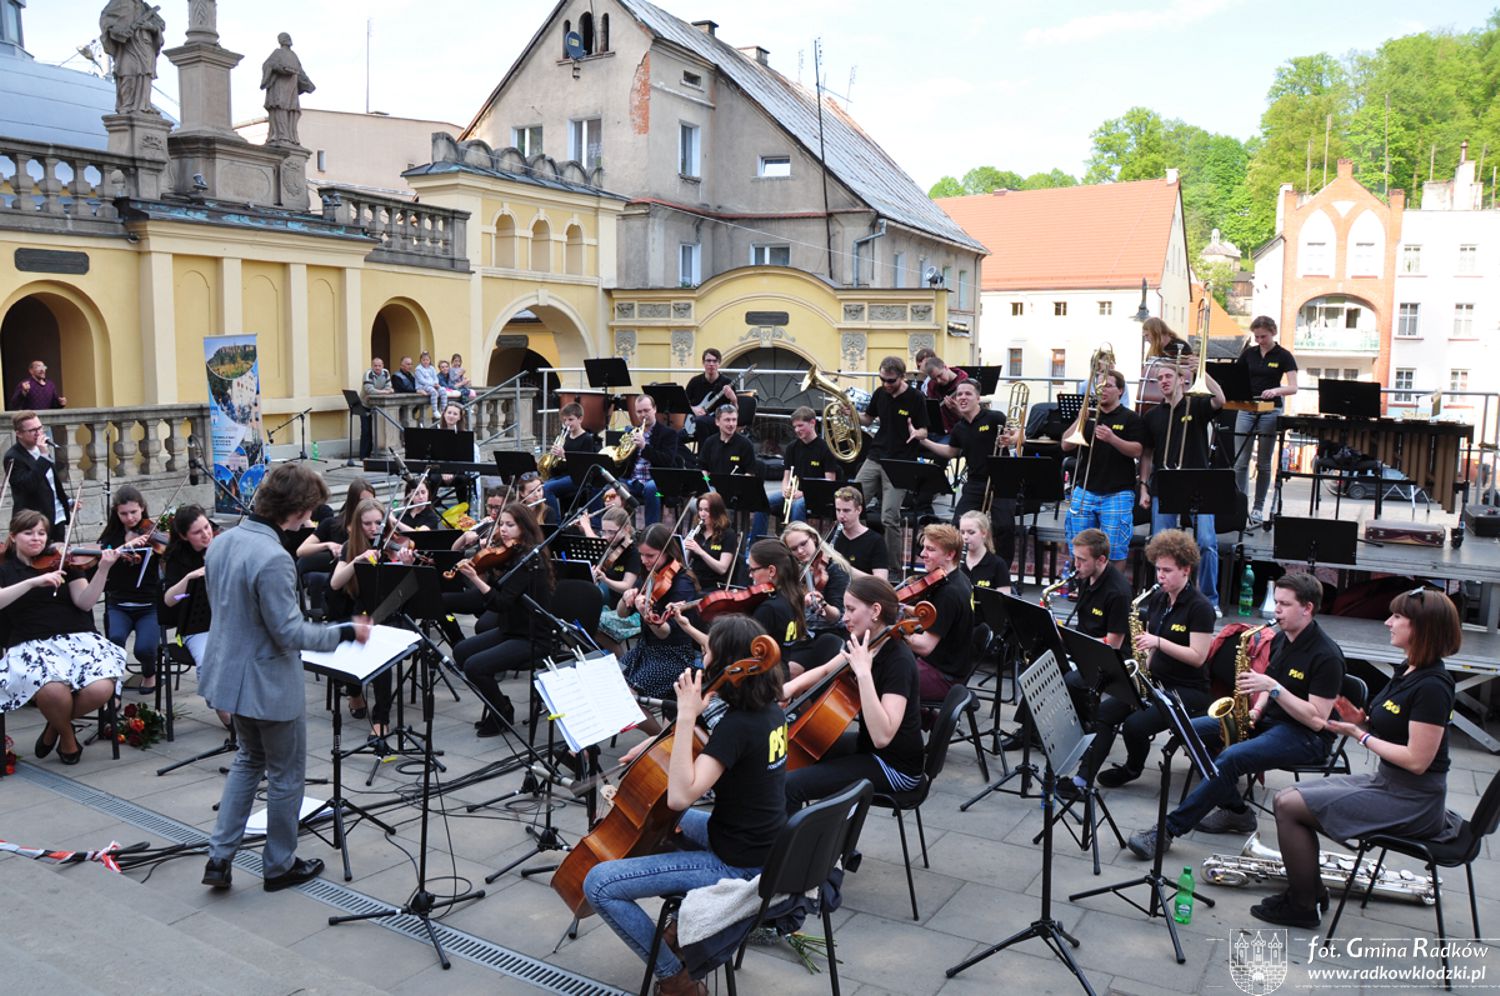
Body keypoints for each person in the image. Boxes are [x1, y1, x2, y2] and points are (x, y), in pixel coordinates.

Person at [583, 615, 787, 996]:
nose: (700, 658)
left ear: (726, 664)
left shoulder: (738, 726)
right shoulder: (769, 711)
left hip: (738, 863)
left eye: (707, 651)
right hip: (761, 842)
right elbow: (715, 746)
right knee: (652, 814)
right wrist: (664, 738)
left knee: (599, 884)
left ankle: (675, 977)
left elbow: (681, 793)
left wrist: (688, 713)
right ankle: (679, 924)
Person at [200, 464, 371, 894]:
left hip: (230, 676)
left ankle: (219, 858)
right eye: (309, 511)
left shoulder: (223, 543)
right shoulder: (274, 557)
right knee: (285, 774)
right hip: (268, 683)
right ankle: (278, 865)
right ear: (294, 509)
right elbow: (290, 632)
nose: (311, 520)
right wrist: (346, 632)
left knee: (246, 761)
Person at [1254, 586, 1462, 929]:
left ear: (1421, 627)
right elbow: (1393, 729)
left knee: (1290, 807)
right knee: (1286, 798)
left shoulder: (1434, 687)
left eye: (1397, 616)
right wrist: (1360, 720)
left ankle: (1304, 904)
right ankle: (1310, 891)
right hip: (1390, 784)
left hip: (1413, 800)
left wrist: (1361, 735)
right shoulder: (1409, 670)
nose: (1387, 622)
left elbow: (1416, 760)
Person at [1127, 572, 1345, 859]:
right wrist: (1256, 709)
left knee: (1230, 758)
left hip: (1305, 736)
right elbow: (1269, 683)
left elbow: (1317, 719)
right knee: (1187, 730)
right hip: (1270, 720)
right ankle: (1237, 811)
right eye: (1276, 602)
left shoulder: (1326, 655)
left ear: (1307, 608)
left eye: (1284, 604)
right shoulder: (1283, 639)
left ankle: (1167, 831)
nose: (1275, 610)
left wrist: (1275, 690)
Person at [1083, 529, 1216, 789]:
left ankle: (1132, 768)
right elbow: (1150, 645)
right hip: (1157, 681)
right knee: (1106, 711)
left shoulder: (1200, 607)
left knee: (1135, 725)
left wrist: (1158, 642)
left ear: (1186, 570)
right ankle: (1082, 779)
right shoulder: (1158, 599)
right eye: (1158, 570)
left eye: (1167, 570)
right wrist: (1142, 664)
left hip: (1188, 690)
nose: (1160, 576)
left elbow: (1198, 657)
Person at [782, 575, 925, 811]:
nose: (845, 616)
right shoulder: (865, 644)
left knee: (791, 786)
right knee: (793, 752)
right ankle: (828, 839)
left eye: (850, 609)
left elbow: (883, 735)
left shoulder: (898, 660)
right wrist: (786, 689)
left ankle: (798, 847)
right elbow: (826, 670)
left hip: (896, 768)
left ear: (875, 610)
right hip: (868, 748)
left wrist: (864, 674)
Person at [0, 510, 128, 765]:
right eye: (29, 533)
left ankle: (54, 727)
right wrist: (34, 582)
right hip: (31, 642)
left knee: (103, 687)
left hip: (76, 638)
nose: (36, 538)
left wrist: (103, 569)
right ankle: (68, 740)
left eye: (42, 533)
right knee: (53, 691)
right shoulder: (6, 568)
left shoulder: (64, 562)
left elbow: (85, 602)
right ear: (13, 537)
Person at [452, 501, 555, 737]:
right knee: (461, 651)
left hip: (531, 636)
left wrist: (476, 578)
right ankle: (498, 703)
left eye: (510, 525)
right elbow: (498, 590)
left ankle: (502, 710)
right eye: (502, 524)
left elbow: (500, 603)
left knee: (474, 666)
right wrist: (485, 567)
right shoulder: (512, 553)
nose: (504, 529)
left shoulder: (530, 561)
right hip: (510, 628)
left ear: (524, 527)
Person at [1139, 358, 1226, 612]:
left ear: (1181, 380)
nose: (1163, 382)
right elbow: (1146, 455)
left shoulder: (1196, 405)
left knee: (1207, 542)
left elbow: (1221, 399)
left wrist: (1202, 370)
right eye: (1159, 379)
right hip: (1164, 484)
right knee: (1161, 543)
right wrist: (1143, 486)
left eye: (1168, 376)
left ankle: (1209, 600)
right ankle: (1165, 597)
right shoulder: (1153, 415)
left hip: (1198, 483)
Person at [327, 498, 413, 739]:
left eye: (378, 523)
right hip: (360, 609)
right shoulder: (350, 547)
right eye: (367, 524)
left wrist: (407, 566)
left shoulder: (392, 545)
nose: (374, 529)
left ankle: (381, 717)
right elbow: (335, 583)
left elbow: (405, 591)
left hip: (389, 610)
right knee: (353, 639)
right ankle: (354, 691)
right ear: (357, 525)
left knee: (380, 651)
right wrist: (358, 560)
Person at [853, 356, 929, 574]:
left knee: (889, 517)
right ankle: (862, 558)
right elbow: (868, 418)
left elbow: (924, 430)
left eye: (891, 381)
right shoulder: (880, 394)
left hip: (900, 462)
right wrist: (851, 414)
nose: (886, 384)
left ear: (902, 377)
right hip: (876, 456)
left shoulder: (915, 398)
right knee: (851, 502)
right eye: (882, 379)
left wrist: (917, 433)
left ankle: (893, 569)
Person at [1062, 368, 1144, 561]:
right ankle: (1082, 589)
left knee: (1115, 551)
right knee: (1079, 548)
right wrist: (1083, 414)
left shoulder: (1130, 418)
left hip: (1117, 492)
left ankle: (1114, 591)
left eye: (1108, 386)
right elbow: (1066, 444)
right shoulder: (1089, 416)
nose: (1103, 390)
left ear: (1120, 391)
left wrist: (1112, 438)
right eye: (1099, 386)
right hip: (1085, 489)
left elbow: (1137, 451)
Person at [617, 523, 700, 700]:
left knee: (629, 697)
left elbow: (665, 633)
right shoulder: (651, 574)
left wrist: (646, 614)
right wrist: (625, 598)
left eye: (650, 556)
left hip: (673, 656)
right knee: (611, 683)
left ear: (667, 552)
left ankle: (659, 730)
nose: (644, 560)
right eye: (641, 554)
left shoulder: (682, 583)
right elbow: (621, 614)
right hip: (646, 648)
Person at [97, 485, 163, 693]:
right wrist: (125, 547)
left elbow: (171, 557)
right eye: (123, 514)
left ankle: (149, 674)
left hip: (149, 605)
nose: (130, 518)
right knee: (115, 640)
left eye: (134, 512)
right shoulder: (111, 540)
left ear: (142, 508)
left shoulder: (153, 536)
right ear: (116, 514)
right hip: (119, 604)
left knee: (144, 648)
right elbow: (100, 564)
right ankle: (114, 685)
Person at [1235, 316, 1298, 527]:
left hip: (1271, 410)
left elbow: (1293, 387)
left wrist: (1276, 390)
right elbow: (1236, 376)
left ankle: (1258, 507)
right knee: (1240, 462)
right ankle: (1240, 505)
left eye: (1263, 336)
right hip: (1246, 407)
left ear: (1273, 333)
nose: (1260, 340)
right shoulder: (1249, 353)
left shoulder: (1284, 356)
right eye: (1257, 337)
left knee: (1263, 462)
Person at [913, 380, 1006, 524]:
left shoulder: (995, 417)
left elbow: (1018, 434)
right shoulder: (959, 428)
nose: (963, 397)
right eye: (959, 394)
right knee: (958, 524)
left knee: (1004, 526)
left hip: (1001, 482)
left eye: (968, 394)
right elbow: (951, 451)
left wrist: (1012, 438)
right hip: (975, 482)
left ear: (978, 398)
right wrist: (923, 440)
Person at [901, 523, 975, 700]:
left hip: (943, 676)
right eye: (924, 548)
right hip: (949, 666)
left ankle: (924, 722)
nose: (922, 554)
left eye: (930, 549)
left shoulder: (949, 593)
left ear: (950, 554)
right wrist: (902, 609)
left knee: (883, 676)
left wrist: (894, 631)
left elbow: (925, 646)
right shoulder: (959, 578)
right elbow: (936, 616)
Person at [162, 504, 220, 724]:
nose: (206, 534)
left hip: (228, 622)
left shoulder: (222, 545)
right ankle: (224, 711)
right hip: (198, 627)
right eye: (198, 532)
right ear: (184, 536)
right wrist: (188, 580)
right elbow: (170, 601)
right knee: (208, 660)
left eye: (207, 527)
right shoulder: (177, 559)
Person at [5, 410, 70, 541]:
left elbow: (51, 483)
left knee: (59, 557)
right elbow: (29, 485)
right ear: (19, 434)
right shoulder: (13, 457)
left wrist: (67, 501)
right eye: (32, 430)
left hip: (57, 516)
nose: (39, 433)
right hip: (35, 522)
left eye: (40, 428)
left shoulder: (40, 449)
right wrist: (44, 457)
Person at [1065, 528, 1131, 650]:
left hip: (1106, 658)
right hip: (1085, 647)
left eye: (1082, 559)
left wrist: (1073, 643)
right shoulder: (1086, 574)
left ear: (1101, 560)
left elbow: (1113, 644)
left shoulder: (1118, 593)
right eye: (1075, 558)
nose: (1076, 564)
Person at [98, 0, 165, 115]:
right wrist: (118, 32)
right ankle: (126, 105)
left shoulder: (145, 7)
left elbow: (160, 24)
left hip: (145, 44)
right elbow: (106, 20)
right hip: (128, 45)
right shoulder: (119, 3)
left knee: (145, 73)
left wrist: (151, 27)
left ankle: (144, 105)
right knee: (127, 71)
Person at [783, 521, 850, 634]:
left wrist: (823, 605)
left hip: (827, 634)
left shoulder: (835, 568)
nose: (800, 551)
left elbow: (837, 616)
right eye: (794, 549)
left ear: (813, 538)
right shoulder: (796, 568)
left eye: (803, 544)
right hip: (800, 631)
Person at [627, 392, 682, 526]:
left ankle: (651, 532)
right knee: (611, 486)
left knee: (651, 488)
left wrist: (644, 447)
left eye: (646, 410)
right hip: (634, 481)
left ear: (655, 409)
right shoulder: (633, 433)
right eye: (639, 412)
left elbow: (667, 461)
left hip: (657, 481)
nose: (643, 415)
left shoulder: (668, 433)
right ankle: (620, 530)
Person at [592, 506, 643, 649]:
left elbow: (627, 586)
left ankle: (619, 662)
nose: (606, 536)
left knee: (591, 621)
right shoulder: (609, 547)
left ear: (626, 529)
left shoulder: (633, 552)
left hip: (624, 606)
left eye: (611, 532)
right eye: (603, 531)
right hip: (607, 601)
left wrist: (605, 580)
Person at [542, 402, 602, 523]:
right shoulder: (566, 438)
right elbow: (561, 467)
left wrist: (564, 455)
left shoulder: (587, 439)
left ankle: (555, 523)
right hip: (565, 475)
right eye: (565, 420)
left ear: (580, 419)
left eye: (571, 419)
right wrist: (554, 459)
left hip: (578, 478)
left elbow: (583, 466)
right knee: (539, 486)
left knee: (548, 489)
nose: (567, 423)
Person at [780, 406, 840, 525]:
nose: (796, 430)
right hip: (795, 492)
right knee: (766, 502)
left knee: (797, 506)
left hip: (817, 496)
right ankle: (757, 539)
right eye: (795, 426)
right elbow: (786, 476)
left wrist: (803, 493)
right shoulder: (792, 447)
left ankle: (795, 538)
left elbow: (829, 482)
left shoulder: (826, 448)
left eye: (800, 425)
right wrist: (785, 490)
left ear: (812, 423)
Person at [260, 33, 315, 146]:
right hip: (279, 86)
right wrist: (281, 69)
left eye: (288, 38)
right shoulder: (277, 53)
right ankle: (281, 135)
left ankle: (291, 136)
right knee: (280, 108)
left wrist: (308, 83)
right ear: (280, 41)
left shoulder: (294, 55)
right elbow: (268, 65)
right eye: (285, 38)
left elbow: (300, 71)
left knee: (292, 110)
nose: (288, 40)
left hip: (292, 87)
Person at [681, 491, 739, 590]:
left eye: (707, 510)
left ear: (717, 511)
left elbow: (722, 569)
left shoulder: (728, 535)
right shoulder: (697, 531)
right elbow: (684, 563)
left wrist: (700, 552)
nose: (702, 514)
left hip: (714, 586)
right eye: (700, 510)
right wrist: (684, 548)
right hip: (694, 582)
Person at [831, 485, 888, 581]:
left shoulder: (875, 541)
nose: (841, 516)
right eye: (838, 510)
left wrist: (846, 568)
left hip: (861, 594)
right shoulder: (832, 537)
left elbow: (881, 582)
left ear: (859, 510)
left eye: (846, 510)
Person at [686, 348, 736, 448]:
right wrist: (693, 409)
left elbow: (735, 410)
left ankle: (703, 459)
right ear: (703, 363)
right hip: (694, 423)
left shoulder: (727, 383)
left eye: (715, 361)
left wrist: (733, 399)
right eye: (708, 361)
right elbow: (683, 403)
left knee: (702, 421)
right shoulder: (695, 382)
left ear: (719, 363)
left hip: (718, 423)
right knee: (675, 438)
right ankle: (692, 462)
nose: (711, 364)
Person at [957, 510, 1011, 594]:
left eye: (971, 532)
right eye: (962, 532)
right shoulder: (954, 560)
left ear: (984, 533)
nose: (965, 537)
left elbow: (1003, 601)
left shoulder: (998, 564)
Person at [921, 355, 969, 438]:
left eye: (940, 375)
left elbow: (971, 419)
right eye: (934, 378)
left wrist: (957, 410)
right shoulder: (932, 385)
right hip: (936, 431)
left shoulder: (965, 384)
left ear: (945, 367)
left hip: (956, 432)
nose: (938, 381)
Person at [358, 358, 394, 459]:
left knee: (376, 432)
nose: (377, 368)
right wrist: (384, 392)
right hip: (365, 406)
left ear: (382, 365)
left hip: (378, 407)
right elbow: (369, 390)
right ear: (372, 366)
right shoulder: (368, 374)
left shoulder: (386, 373)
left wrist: (379, 391)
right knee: (366, 431)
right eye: (375, 365)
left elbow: (389, 387)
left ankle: (371, 455)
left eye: (379, 366)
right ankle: (363, 457)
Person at [414, 351, 445, 418]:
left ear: (429, 360)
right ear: (420, 360)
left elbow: (435, 377)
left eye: (427, 360)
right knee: (434, 392)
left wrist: (436, 383)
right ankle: (435, 411)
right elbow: (421, 380)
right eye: (424, 360)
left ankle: (444, 410)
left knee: (442, 390)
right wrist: (433, 384)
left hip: (432, 385)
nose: (425, 361)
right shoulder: (418, 369)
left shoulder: (432, 368)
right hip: (422, 386)